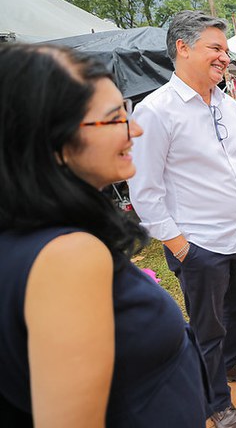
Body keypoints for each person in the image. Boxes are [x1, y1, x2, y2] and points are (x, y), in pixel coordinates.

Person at [0, 44, 208, 426]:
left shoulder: (31, 237)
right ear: (54, 141)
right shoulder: (68, 257)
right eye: (115, 118)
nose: (137, 129)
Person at [128, 11, 236, 428]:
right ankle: (215, 401)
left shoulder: (226, 103)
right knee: (207, 327)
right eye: (216, 48)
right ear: (183, 48)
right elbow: (145, 189)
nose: (225, 57)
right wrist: (178, 245)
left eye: (225, 50)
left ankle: (232, 362)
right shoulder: (155, 111)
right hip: (199, 245)